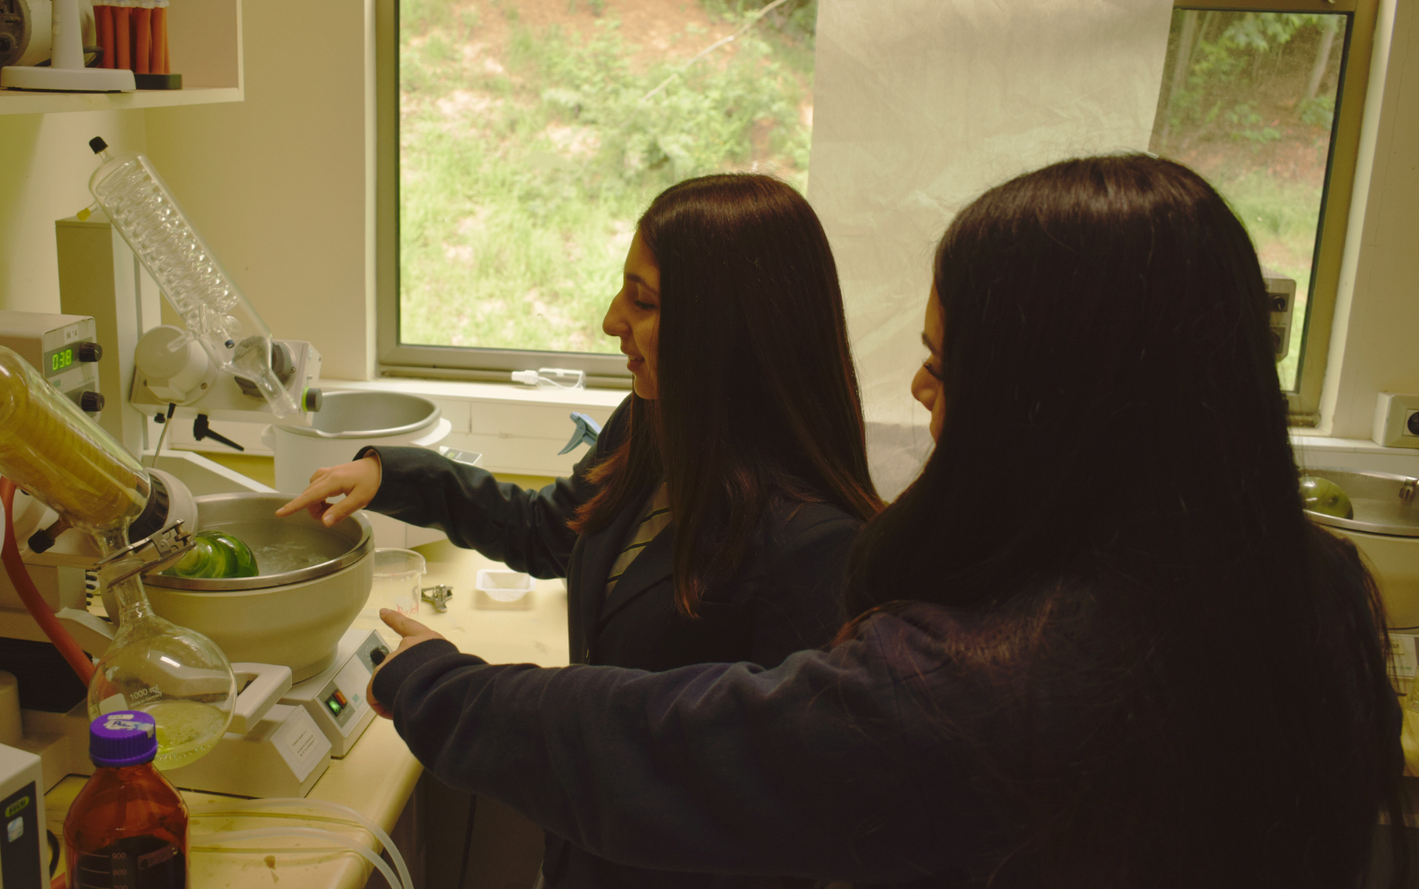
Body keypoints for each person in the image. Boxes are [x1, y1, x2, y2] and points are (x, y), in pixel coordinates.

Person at [358, 156, 1410, 888]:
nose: (914, 386)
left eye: (946, 366)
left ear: (1062, 411)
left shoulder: (979, 682)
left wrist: (444, 687)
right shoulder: (1307, 593)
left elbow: (686, 748)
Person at [278, 174, 883, 887]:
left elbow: (746, 799)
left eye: (645, 301)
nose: (610, 319)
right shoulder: (657, 426)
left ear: (730, 329)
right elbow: (553, 529)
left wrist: (451, 685)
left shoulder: (813, 549)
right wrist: (399, 477)